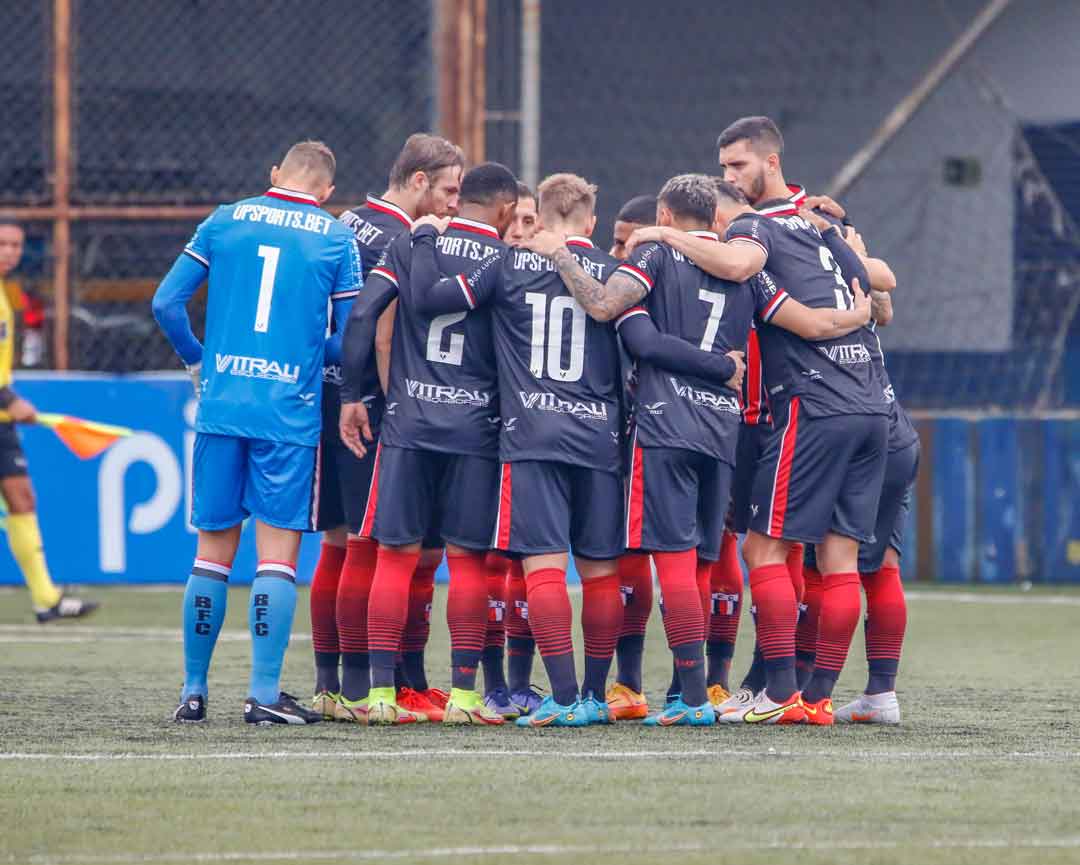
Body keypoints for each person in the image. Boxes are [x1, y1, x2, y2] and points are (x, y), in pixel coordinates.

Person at [387, 173, 629, 727]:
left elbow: (433, 300)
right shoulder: (619, 274)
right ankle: (594, 695)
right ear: (592, 223)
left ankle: (563, 701)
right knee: (599, 574)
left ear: (538, 218)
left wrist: (425, 240)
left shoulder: (505, 264)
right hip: (598, 435)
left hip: (532, 434)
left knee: (544, 569)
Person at [153, 140, 360, 725]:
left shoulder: (225, 218)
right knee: (276, 558)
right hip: (287, 412)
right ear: (325, 193)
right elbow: (349, 337)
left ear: (274, 174)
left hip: (223, 404)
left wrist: (201, 361)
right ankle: (263, 695)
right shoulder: (334, 235)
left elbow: (166, 303)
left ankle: (193, 693)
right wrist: (295, 349)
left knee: (212, 554)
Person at [339, 162, 519, 726]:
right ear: (507, 210)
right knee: (467, 563)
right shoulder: (509, 263)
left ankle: (383, 698)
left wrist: (352, 395)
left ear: (457, 199)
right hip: (476, 430)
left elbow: (364, 315)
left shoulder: (412, 246)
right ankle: (466, 699)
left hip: (410, 424)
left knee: (394, 558)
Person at [311, 133, 463, 724]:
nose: (454, 203)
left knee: (340, 539)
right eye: (448, 189)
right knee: (372, 545)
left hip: (327, 394)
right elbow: (374, 327)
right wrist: (384, 397)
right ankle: (364, 688)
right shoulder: (402, 238)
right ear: (419, 180)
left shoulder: (346, 221)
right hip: (369, 406)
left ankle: (335, 685)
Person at [0, 218, 98, 622]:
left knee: (22, 498)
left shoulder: (9, 295)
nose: (9, 251)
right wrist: (8, 398)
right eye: (2, 243)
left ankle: (46, 599)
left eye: (16, 245)